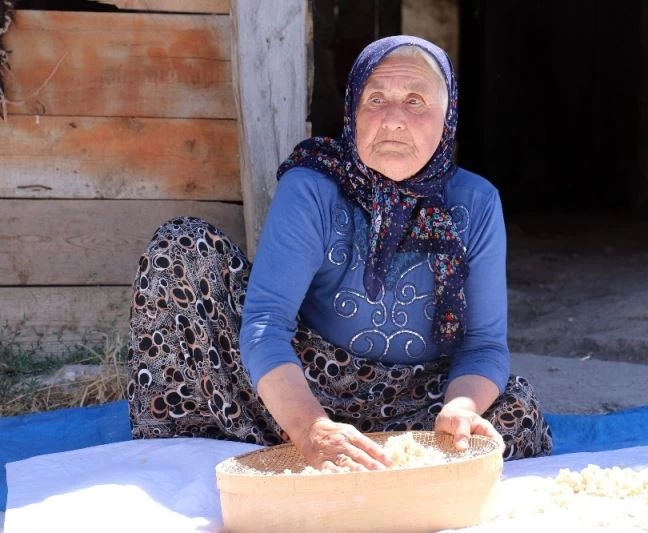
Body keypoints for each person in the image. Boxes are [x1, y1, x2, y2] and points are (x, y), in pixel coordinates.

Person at [127, 35, 552, 471]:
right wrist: (310, 427)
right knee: (182, 247)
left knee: (514, 409)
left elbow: (484, 345)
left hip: (414, 404)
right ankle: (227, 444)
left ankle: (390, 452)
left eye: (414, 101)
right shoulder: (313, 187)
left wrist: (461, 409)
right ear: (352, 111)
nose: (392, 121)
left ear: (448, 118)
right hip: (302, 384)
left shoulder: (475, 202)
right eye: (376, 99)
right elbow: (266, 323)